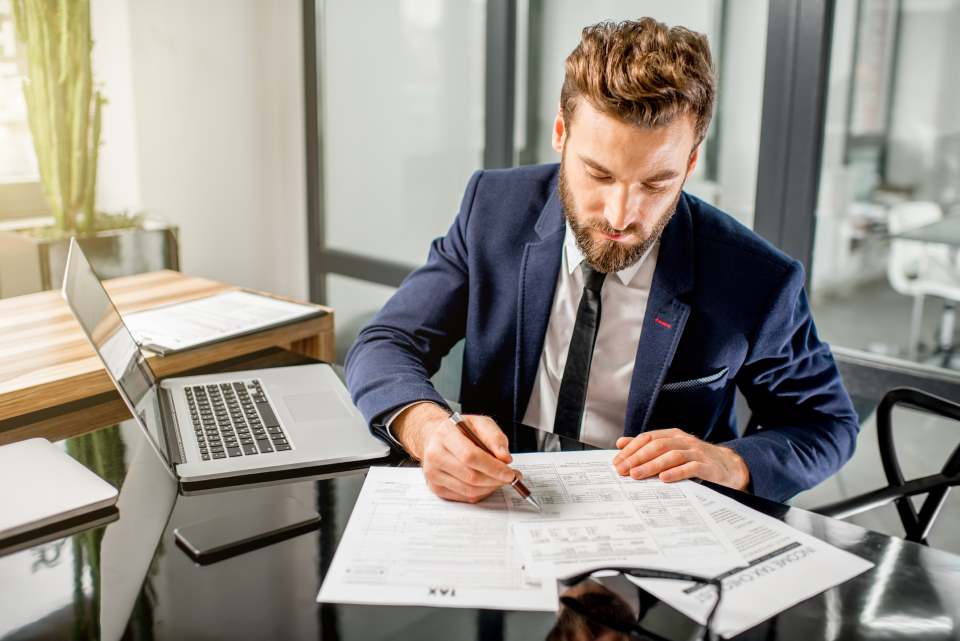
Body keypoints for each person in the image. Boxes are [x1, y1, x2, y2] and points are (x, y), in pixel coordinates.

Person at [345, 17, 859, 505]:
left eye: (656, 183)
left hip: (659, 535)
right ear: (561, 135)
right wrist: (429, 428)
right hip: (498, 504)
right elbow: (388, 340)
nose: (621, 215)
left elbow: (827, 424)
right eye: (599, 174)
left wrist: (728, 463)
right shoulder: (493, 209)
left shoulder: (755, 278)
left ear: (691, 162)